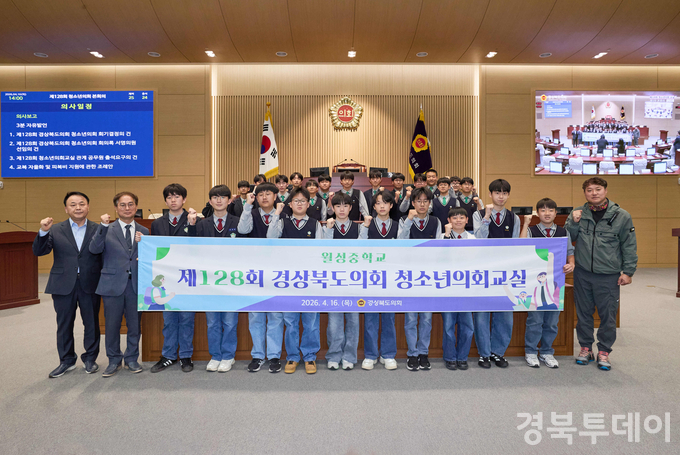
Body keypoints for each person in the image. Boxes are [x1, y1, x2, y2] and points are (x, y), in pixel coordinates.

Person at [565, 177, 637, 371]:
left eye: (598, 189)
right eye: (589, 190)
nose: (594, 193)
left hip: (608, 275)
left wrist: (628, 271)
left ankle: (604, 350)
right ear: (585, 193)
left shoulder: (622, 216)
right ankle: (586, 348)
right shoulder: (578, 213)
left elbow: (629, 245)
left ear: (605, 191)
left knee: (608, 316)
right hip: (583, 273)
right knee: (583, 313)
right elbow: (567, 238)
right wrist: (573, 222)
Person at [33, 192, 103, 378]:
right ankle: (66, 360)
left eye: (81, 203)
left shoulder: (99, 229)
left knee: (91, 323)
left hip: (90, 283)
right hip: (63, 284)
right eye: (73, 204)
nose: (78, 207)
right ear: (66, 209)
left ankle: (90, 359)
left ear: (88, 207)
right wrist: (43, 232)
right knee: (64, 324)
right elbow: (39, 251)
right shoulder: (55, 229)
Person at [89, 192, 149, 377]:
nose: (127, 208)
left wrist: (144, 245)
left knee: (134, 325)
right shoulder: (106, 228)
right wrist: (102, 227)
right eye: (122, 205)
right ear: (116, 208)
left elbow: (149, 258)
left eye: (130, 204)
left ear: (136, 207)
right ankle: (113, 360)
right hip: (112, 284)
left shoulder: (144, 231)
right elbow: (94, 249)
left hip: (136, 285)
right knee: (112, 325)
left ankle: (132, 358)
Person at [267, 187, 324, 374]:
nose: (299, 204)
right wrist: (276, 213)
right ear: (290, 204)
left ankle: (309, 356)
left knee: (311, 322)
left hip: (310, 280)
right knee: (290, 321)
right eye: (296, 201)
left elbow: (320, 252)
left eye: (303, 201)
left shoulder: (315, 224)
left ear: (309, 204)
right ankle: (292, 356)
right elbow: (270, 237)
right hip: (288, 280)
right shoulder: (282, 222)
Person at [520, 198, 575, 369]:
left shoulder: (563, 231)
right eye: (543, 210)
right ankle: (530, 351)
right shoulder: (531, 231)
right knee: (535, 320)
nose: (547, 213)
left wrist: (571, 263)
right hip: (535, 283)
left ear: (556, 213)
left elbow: (570, 251)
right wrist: (525, 224)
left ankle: (547, 352)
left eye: (550, 210)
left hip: (556, 283)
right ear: (538, 213)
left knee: (552, 321)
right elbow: (521, 247)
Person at [149, 184, 198, 374]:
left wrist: (192, 226)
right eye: (169, 197)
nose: (173, 200)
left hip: (187, 278)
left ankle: (186, 355)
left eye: (177, 196)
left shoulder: (195, 220)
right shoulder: (157, 223)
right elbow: (154, 249)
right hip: (166, 278)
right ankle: (168, 355)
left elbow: (197, 247)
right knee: (169, 320)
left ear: (184, 199)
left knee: (186, 319)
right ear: (165, 201)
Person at [472, 179, 520, 369]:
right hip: (483, 270)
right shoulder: (478, 214)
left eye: (504, 193)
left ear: (508, 195)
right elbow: (478, 238)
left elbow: (515, 245)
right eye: (497, 193)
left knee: (505, 315)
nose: (501, 196)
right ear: (490, 194)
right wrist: (487, 216)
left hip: (505, 272)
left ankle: (498, 352)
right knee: (481, 314)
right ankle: (484, 353)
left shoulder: (514, 218)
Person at [239, 182, 284, 372]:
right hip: (255, 272)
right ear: (255, 197)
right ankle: (257, 355)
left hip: (276, 273)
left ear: (275, 196)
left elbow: (273, 237)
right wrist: (247, 206)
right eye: (260, 194)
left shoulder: (283, 214)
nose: (264, 197)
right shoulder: (251, 213)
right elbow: (243, 230)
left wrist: (276, 214)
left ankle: (274, 356)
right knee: (256, 316)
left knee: (275, 316)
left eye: (268, 194)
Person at [323, 193, 372, 370]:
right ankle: (334, 355)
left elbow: (361, 249)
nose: (342, 209)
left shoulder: (359, 228)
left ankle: (349, 356)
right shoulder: (327, 227)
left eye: (345, 206)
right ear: (333, 208)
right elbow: (324, 252)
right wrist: (328, 230)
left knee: (353, 322)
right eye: (338, 206)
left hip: (354, 282)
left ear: (351, 208)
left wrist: (365, 228)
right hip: (333, 281)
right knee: (334, 323)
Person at [398, 187, 443, 371]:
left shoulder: (435, 221)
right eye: (418, 201)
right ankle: (412, 353)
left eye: (425, 201)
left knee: (425, 319)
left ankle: (423, 352)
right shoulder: (404, 220)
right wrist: (409, 221)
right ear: (413, 203)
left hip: (428, 277)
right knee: (410, 319)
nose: (422, 204)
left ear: (429, 203)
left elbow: (439, 248)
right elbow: (400, 243)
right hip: (409, 277)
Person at [362, 191, 399, 370]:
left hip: (391, 279)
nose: (382, 206)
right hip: (371, 278)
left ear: (391, 205)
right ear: (374, 206)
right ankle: (370, 355)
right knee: (370, 319)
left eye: (385, 202)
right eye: (378, 203)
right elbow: (359, 248)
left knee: (388, 318)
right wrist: (364, 228)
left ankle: (388, 354)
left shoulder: (398, 225)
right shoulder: (367, 225)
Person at [441, 208, 475, 370]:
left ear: (467, 220)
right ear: (449, 220)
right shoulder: (442, 237)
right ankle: (450, 357)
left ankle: (462, 357)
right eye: (455, 218)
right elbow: (440, 259)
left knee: (467, 326)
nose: (458, 220)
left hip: (467, 289)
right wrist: (447, 237)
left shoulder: (473, 239)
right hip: (448, 289)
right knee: (448, 326)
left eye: (462, 217)